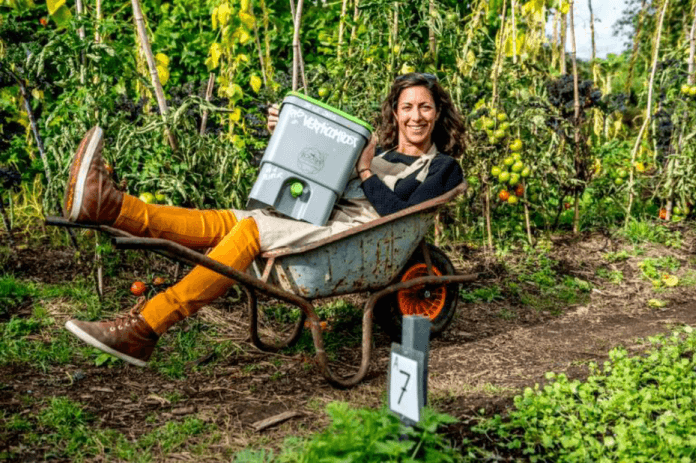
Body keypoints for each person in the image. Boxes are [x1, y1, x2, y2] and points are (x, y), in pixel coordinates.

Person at [63, 72, 466, 366]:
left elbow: (400, 215)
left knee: (251, 229)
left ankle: (145, 328)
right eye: (407, 107)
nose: (416, 116)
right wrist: (290, 134)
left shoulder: (443, 167)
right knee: (225, 221)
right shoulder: (377, 154)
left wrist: (363, 171)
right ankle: (111, 208)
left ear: (437, 113)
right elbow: (316, 174)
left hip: (348, 235)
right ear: (395, 113)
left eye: (425, 107)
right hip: (322, 223)